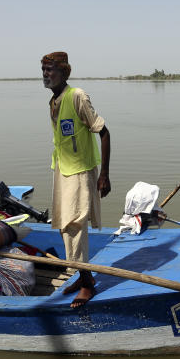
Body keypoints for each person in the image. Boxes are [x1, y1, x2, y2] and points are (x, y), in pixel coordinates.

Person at [42, 51, 111, 307]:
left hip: (81, 170)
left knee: (76, 224)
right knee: (63, 224)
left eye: (51, 70)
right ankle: (85, 276)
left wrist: (104, 174)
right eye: (44, 70)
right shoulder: (54, 101)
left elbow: (104, 133)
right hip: (62, 169)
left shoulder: (77, 96)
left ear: (65, 72)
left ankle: (85, 284)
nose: (46, 75)